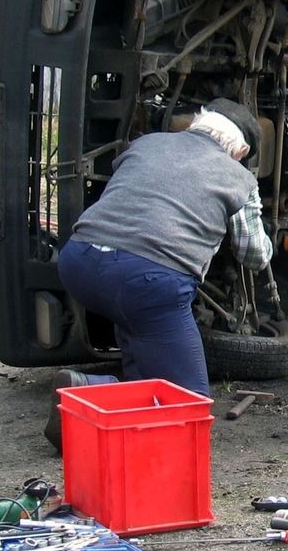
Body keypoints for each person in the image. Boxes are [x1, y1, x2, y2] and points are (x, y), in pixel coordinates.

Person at [43, 98, 273, 449]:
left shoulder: (146, 144)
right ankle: (86, 393)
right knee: (190, 400)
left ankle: (106, 429)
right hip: (146, 278)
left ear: (197, 123)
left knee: (141, 339)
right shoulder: (238, 178)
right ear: (240, 150)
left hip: (80, 260)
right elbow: (254, 255)